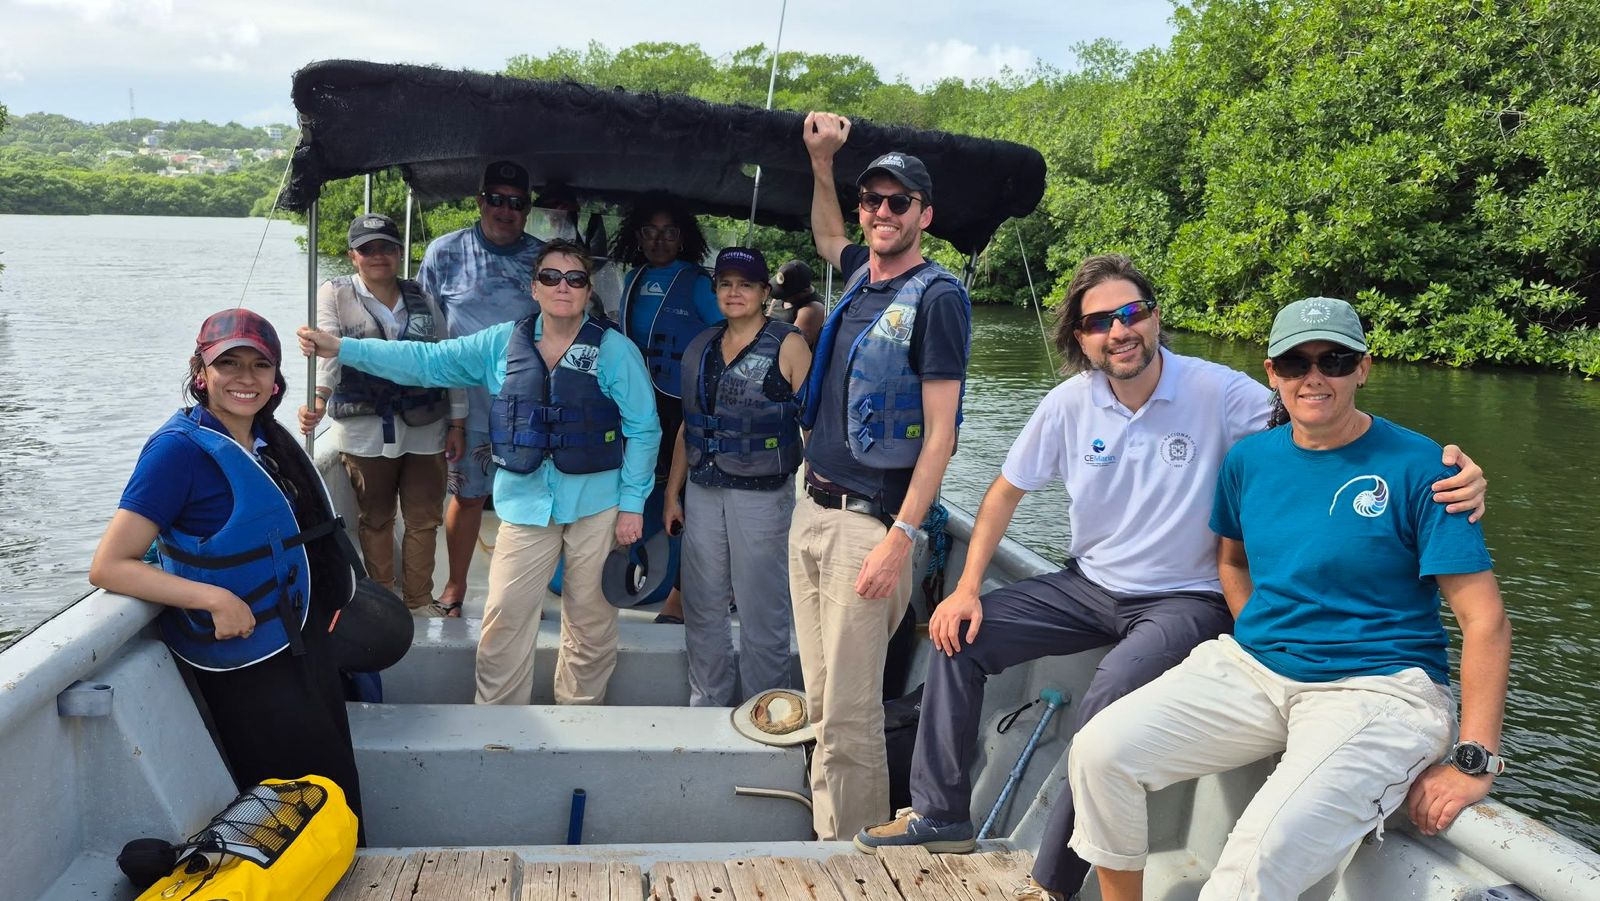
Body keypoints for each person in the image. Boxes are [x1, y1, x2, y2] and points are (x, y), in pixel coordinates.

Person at [851, 255, 1487, 901]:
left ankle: (1054, 883)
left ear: (1155, 318)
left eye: (1132, 313)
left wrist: (1457, 468)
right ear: (1080, 337)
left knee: (1109, 695)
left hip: (1183, 597)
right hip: (1089, 584)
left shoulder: (1221, 390)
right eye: (1100, 321)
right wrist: (964, 589)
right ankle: (942, 813)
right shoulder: (1069, 403)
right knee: (960, 637)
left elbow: (1318, 428)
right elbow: (1004, 493)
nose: (1119, 330)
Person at [1066, 297, 1511, 901]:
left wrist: (1474, 759)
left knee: (1249, 871)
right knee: (1099, 752)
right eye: (1295, 363)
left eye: (1333, 359)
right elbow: (1232, 559)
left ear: (1363, 368)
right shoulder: (1250, 459)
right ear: (1272, 373)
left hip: (1378, 690)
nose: (1314, 376)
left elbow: (1483, 621)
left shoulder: (1426, 469)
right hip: (1255, 669)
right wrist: (1262, 629)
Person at [300, 239, 659, 706]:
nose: (562, 287)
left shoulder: (616, 351)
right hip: (526, 502)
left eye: (575, 279)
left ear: (588, 290)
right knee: (505, 614)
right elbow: (424, 362)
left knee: (590, 619)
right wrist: (341, 347)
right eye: (551, 277)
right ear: (534, 288)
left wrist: (632, 504)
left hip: (597, 503)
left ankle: (580, 712)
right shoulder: (499, 343)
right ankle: (499, 720)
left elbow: (645, 430)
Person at [89, 308, 364, 830]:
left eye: (259, 365)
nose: (245, 378)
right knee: (286, 805)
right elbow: (110, 566)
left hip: (299, 642)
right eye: (228, 364)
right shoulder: (177, 453)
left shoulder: (266, 439)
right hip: (246, 658)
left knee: (333, 787)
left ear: (276, 378)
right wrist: (212, 598)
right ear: (201, 373)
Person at [794, 111, 973, 841]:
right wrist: (820, 163)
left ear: (924, 215)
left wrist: (899, 539)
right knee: (817, 700)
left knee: (848, 712)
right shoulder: (859, 278)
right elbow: (826, 234)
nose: (881, 213)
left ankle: (858, 861)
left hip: (870, 526)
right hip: (811, 511)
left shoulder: (938, 298)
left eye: (898, 202)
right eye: (873, 200)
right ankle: (825, 836)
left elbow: (940, 438)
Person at [663, 247, 811, 707]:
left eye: (746, 284)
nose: (734, 292)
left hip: (764, 496)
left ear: (765, 293)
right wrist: (672, 494)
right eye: (725, 283)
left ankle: (764, 707)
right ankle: (708, 700)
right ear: (715, 292)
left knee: (761, 608)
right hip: (704, 489)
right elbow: (691, 425)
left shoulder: (789, 344)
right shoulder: (701, 346)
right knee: (703, 603)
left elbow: (813, 425)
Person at [299, 213, 465, 616]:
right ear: (352, 255)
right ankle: (385, 599)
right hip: (364, 426)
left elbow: (449, 359)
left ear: (399, 252)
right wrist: (318, 401)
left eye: (387, 247)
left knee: (424, 518)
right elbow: (327, 352)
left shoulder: (422, 295)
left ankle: (420, 600)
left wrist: (458, 421)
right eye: (367, 249)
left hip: (425, 425)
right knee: (375, 518)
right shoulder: (335, 293)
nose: (378, 256)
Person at [416, 160, 542, 616]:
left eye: (516, 202)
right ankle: (454, 587)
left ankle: (520, 596)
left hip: (531, 408)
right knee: (466, 496)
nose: (505, 210)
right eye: (496, 199)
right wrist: (447, 413)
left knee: (528, 505)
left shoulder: (546, 260)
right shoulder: (444, 252)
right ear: (479, 201)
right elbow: (425, 332)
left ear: (527, 209)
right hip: (465, 408)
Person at [611, 191, 725, 624]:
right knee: (638, 486)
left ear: (683, 238)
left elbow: (725, 335)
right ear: (639, 236)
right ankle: (631, 564)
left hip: (681, 403)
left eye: (669, 233)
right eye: (651, 232)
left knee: (682, 494)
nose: (659, 241)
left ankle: (679, 590)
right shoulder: (632, 279)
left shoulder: (697, 283)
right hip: (635, 402)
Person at [766, 259, 825, 346]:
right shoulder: (780, 298)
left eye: (785, 295)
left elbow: (793, 346)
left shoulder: (812, 309)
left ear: (804, 291)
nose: (780, 298)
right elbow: (766, 322)